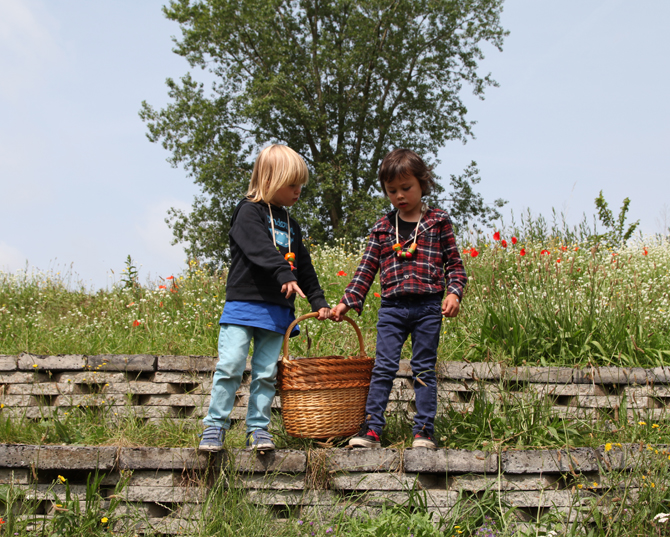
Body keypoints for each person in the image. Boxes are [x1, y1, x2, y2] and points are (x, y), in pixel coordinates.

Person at [331, 148, 467, 449]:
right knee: (383, 367)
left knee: (423, 368)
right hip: (392, 308)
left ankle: (424, 431)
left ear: (422, 184)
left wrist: (454, 292)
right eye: (392, 191)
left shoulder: (437, 221)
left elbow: (455, 265)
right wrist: (347, 301)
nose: (399, 196)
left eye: (406, 188)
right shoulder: (383, 228)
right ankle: (372, 429)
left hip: (429, 306)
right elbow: (366, 269)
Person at [199, 144, 330, 452]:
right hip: (243, 307)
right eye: (292, 184)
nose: (299, 190)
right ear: (270, 180)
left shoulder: (291, 225)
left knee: (267, 374)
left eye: (301, 185)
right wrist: (283, 273)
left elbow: (305, 267)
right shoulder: (247, 211)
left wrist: (318, 301)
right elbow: (258, 248)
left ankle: (258, 429)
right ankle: (214, 426)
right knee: (230, 365)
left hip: (276, 312)